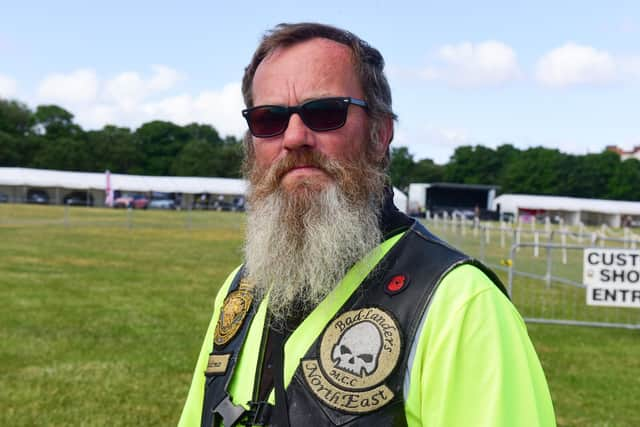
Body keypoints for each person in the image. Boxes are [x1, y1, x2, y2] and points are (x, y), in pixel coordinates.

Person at [179, 22, 555, 427]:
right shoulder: (241, 290)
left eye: (324, 113)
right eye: (268, 119)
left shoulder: (461, 306)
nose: (294, 137)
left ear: (380, 133)